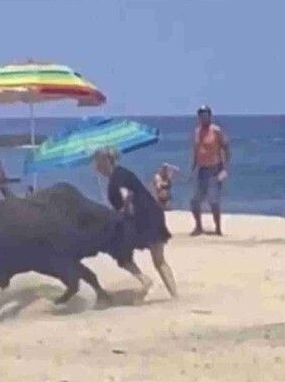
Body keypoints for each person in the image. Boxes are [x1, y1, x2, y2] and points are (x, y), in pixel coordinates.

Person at [93, 147, 178, 298]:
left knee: (122, 256)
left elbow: (126, 196)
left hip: (140, 220)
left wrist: (123, 211)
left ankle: (144, 280)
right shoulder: (122, 173)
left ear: (106, 162)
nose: (96, 167)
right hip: (154, 214)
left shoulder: (117, 178)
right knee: (159, 261)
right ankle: (175, 296)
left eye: (97, 163)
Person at [190, 105, 230, 236]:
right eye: (201, 115)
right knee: (195, 201)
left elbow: (226, 148)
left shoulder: (216, 130)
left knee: (214, 201)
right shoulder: (197, 131)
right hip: (201, 169)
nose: (203, 117)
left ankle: (218, 228)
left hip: (214, 169)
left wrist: (225, 169)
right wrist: (193, 168)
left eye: (206, 115)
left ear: (210, 116)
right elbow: (196, 151)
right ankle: (198, 226)